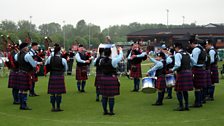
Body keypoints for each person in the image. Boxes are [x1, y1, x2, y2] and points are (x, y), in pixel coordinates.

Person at [15, 42, 42, 110]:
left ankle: (21, 105)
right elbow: (33, 64)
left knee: (20, 90)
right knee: (25, 90)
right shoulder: (27, 55)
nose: (28, 48)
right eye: (27, 47)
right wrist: (38, 63)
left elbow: (16, 61)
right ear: (24, 48)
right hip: (25, 73)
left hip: (19, 73)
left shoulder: (17, 55)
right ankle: (24, 105)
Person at [99, 47, 123, 115]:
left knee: (104, 96)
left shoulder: (101, 60)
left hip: (103, 78)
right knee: (111, 96)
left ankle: (105, 111)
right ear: (110, 53)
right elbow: (120, 57)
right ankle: (111, 111)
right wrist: (120, 51)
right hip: (111, 78)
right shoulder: (113, 60)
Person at [171, 42, 194, 111]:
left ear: (177, 48)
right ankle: (186, 106)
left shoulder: (178, 54)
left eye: (175, 48)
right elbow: (194, 62)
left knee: (178, 90)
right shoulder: (188, 54)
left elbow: (177, 65)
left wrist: (172, 69)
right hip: (189, 72)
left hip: (182, 73)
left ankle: (181, 106)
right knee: (185, 90)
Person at [45, 45, 68, 112]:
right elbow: (66, 69)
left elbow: (46, 65)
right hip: (60, 76)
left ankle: (53, 107)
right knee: (59, 93)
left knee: (52, 93)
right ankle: (58, 107)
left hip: (52, 76)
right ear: (59, 51)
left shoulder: (50, 58)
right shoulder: (63, 60)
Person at [190, 36, 207, 108]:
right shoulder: (202, 49)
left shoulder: (196, 50)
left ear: (192, 43)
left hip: (197, 68)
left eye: (190, 44)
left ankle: (197, 103)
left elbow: (194, 62)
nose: (190, 46)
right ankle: (199, 102)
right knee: (199, 87)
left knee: (197, 87)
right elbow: (205, 59)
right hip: (202, 68)